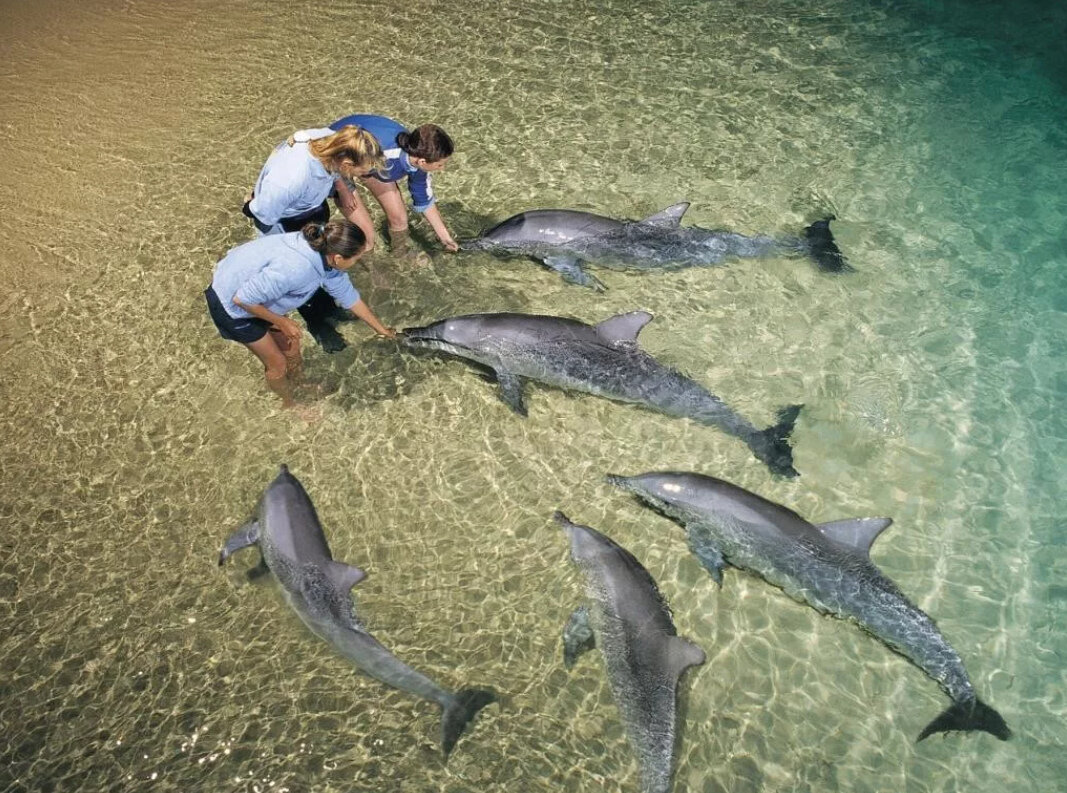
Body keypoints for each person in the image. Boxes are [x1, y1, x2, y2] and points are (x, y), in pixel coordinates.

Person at [206, 219, 395, 409]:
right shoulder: (296, 268)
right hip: (230, 305)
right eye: (356, 259)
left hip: (256, 296)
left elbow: (350, 297)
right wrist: (281, 322)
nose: (356, 263)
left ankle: (300, 383)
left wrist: (382, 330)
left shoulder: (325, 252)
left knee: (292, 346)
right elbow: (243, 299)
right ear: (338, 258)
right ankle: (291, 403)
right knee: (277, 364)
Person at [243, 124, 385, 351]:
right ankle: (319, 325)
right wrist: (287, 256)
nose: (363, 176)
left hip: (311, 209)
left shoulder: (330, 139)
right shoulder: (291, 179)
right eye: (362, 172)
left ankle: (330, 310)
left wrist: (341, 186)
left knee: (326, 266)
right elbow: (261, 214)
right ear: (347, 164)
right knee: (302, 276)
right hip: (284, 224)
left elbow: (335, 169)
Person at [329, 114, 459, 257]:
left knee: (400, 220)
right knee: (366, 237)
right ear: (422, 161)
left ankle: (399, 256)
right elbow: (330, 159)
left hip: (371, 164)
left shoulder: (417, 159)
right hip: (335, 163)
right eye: (440, 164)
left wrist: (446, 239)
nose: (442, 168)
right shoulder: (384, 152)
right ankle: (372, 270)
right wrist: (342, 189)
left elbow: (425, 201)